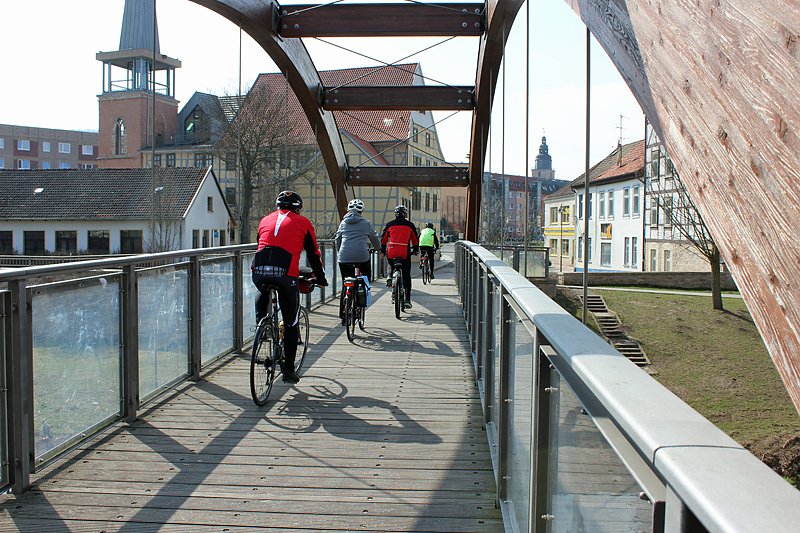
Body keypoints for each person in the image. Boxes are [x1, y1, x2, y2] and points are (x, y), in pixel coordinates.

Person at [251, 190, 328, 384]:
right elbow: (313, 254)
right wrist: (320, 277)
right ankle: (288, 370)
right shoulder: (303, 223)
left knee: (263, 287)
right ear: (298, 209)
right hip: (286, 274)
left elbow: (260, 244)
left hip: (259, 270)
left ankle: (262, 326)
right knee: (291, 322)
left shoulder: (264, 220)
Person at [335, 198, 381, 322]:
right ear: (362, 211)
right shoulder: (366, 223)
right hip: (362, 256)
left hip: (344, 257)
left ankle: (343, 314)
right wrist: (378, 248)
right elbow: (374, 238)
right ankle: (361, 303)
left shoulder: (343, 223)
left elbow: (337, 239)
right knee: (366, 278)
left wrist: (341, 252)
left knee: (346, 282)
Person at [380, 205, 419, 308]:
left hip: (392, 250)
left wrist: (383, 250)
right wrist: (415, 250)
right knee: (406, 275)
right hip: (404, 252)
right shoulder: (410, 225)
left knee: (390, 264)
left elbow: (383, 239)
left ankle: (389, 276)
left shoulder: (390, 224)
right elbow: (415, 240)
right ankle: (407, 300)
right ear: (405, 214)